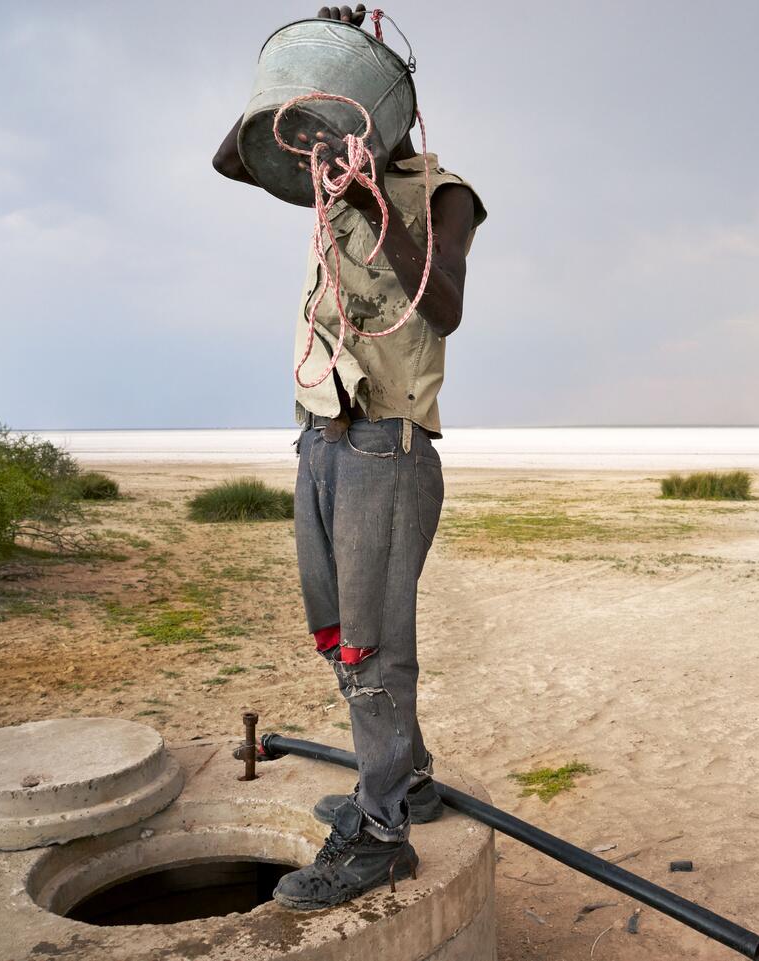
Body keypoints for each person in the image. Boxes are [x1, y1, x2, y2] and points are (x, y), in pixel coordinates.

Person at [211, 3, 486, 910]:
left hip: (386, 444)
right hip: (321, 435)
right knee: (339, 629)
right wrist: (302, 88)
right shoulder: (320, 175)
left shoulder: (442, 192)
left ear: (393, 110)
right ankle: (405, 780)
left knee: (374, 647)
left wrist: (371, 196)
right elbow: (233, 158)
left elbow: (444, 305)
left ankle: (380, 834)